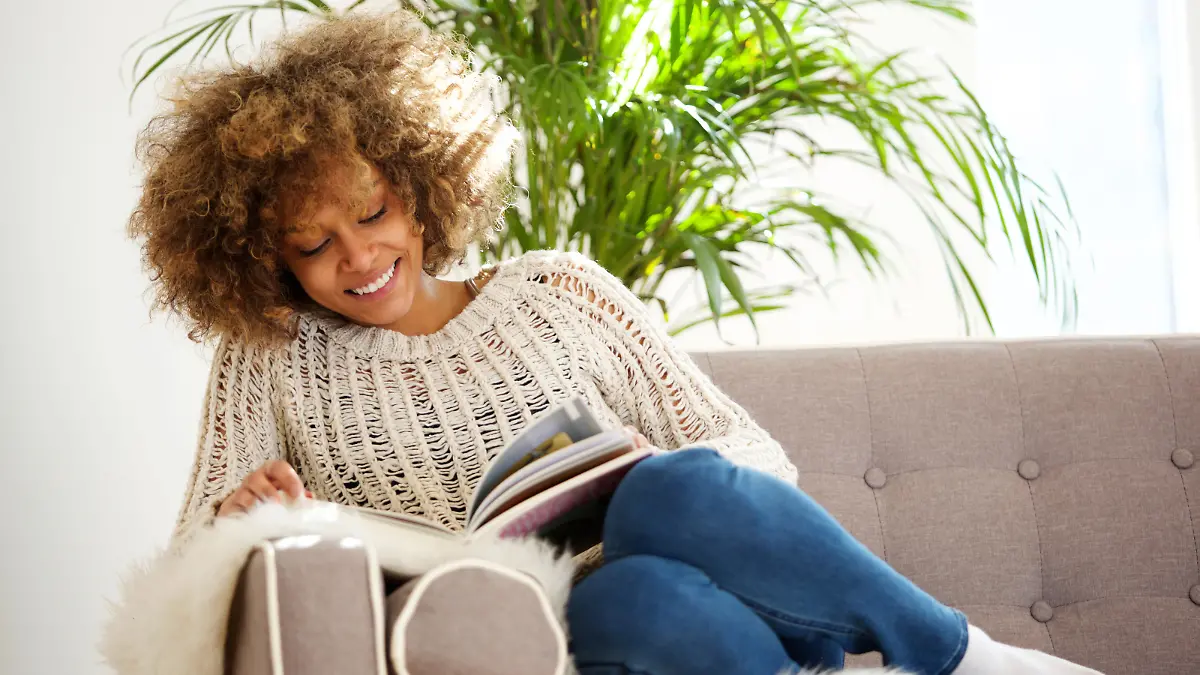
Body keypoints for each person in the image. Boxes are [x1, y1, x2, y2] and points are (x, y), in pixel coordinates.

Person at [129, 11, 1100, 675]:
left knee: (669, 503)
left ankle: (959, 655)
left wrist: (623, 490)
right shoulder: (273, 356)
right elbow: (184, 597)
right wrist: (238, 516)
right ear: (267, 260)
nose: (358, 255)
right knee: (620, 606)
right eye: (313, 244)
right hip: (526, 636)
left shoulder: (559, 290)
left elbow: (755, 460)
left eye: (372, 213)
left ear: (422, 191)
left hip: (677, 596)